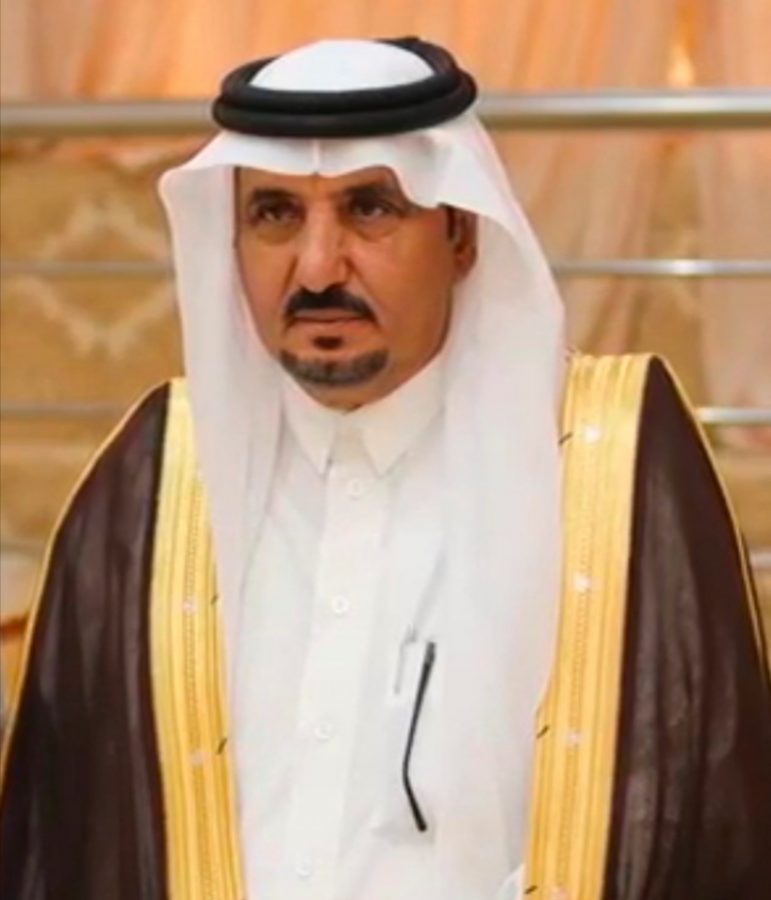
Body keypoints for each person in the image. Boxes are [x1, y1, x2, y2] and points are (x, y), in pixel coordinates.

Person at [1, 37, 769, 900]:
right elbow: (63, 843)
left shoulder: (610, 468)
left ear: (460, 234)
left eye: (369, 209)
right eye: (275, 215)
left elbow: (704, 830)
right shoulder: (149, 484)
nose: (317, 268)